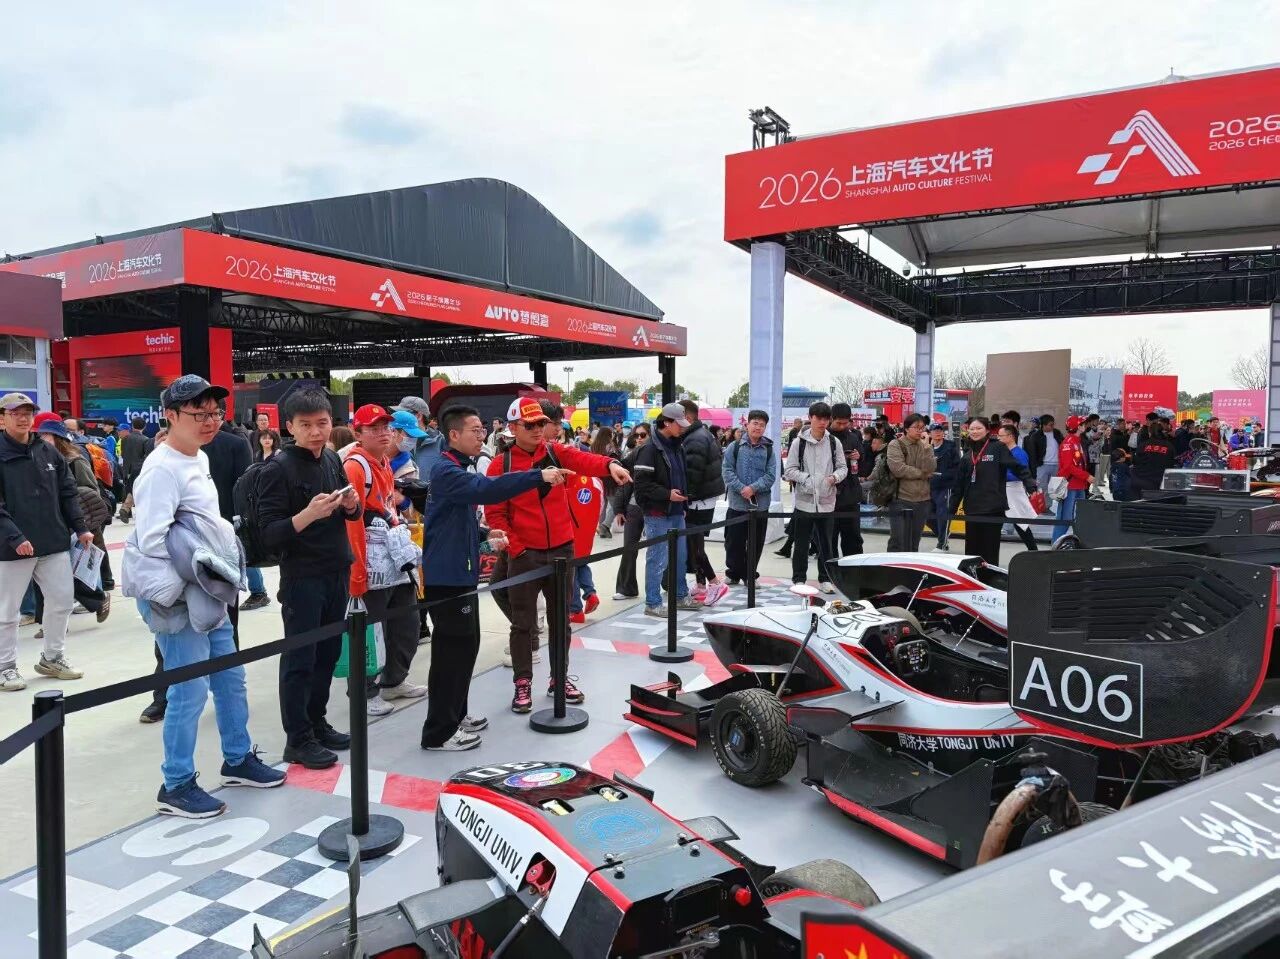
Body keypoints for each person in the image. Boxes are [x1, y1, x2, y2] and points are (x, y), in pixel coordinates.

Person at [123, 375, 284, 817]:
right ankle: (176, 783)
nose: (210, 421)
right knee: (189, 690)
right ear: (170, 416)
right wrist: (188, 584)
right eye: (199, 414)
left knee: (230, 677)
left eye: (215, 413)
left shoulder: (198, 457)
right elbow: (153, 541)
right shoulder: (161, 469)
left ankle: (237, 758)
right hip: (176, 596)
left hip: (206, 590)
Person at [418, 406, 553, 750]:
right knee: (452, 653)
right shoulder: (448, 471)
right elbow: (487, 488)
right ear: (453, 435)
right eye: (475, 430)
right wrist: (537, 476)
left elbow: (451, 520)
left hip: (459, 573)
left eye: (482, 430)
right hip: (447, 578)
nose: (482, 437)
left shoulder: (456, 467)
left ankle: (456, 713)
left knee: (466, 648)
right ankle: (440, 732)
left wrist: (483, 535)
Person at [485, 397, 629, 712]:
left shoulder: (554, 451)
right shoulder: (501, 465)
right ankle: (523, 683)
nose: (538, 429)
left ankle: (559, 679)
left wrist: (610, 465)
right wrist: (518, 547)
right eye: (530, 425)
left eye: (541, 423)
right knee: (522, 624)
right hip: (525, 555)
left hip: (562, 551)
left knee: (561, 622)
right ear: (513, 428)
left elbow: (583, 459)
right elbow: (495, 514)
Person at [256, 389, 362, 770]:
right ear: (289, 427)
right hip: (302, 577)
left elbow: (352, 514)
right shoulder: (277, 468)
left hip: (337, 569)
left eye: (322, 423)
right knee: (300, 658)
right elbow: (268, 534)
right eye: (306, 425)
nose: (316, 432)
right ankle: (297, 738)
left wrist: (351, 505)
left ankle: (317, 722)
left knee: (328, 654)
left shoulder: (332, 458)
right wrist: (308, 515)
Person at [0, 393, 90, 692]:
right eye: (15, 413)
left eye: (28, 412)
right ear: (2, 418)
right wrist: (15, 536)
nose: (23, 418)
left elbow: (68, 492)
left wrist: (80, 528)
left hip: (53, 542)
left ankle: (52, 657)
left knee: (62, 601)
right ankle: (5, 667)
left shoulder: (47, 451)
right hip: (12, 547)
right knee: (7, 612)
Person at [343, 404, 426, 715]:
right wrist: (357, 570)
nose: (383, 433)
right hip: (369, 561)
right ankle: (364, 691)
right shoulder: (356, 466)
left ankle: (394, 680)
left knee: (406, 622)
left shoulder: (384, 463)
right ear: (358, 433)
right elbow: (351, 522)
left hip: (392, 555)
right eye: (374, 428)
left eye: (386, 427)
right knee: (370, 629)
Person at [38, 420, 112, 621]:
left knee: (78, 564)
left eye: (45, 435)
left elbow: (91, 490)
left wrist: (78, 513)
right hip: (53, 520)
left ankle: (97, 597)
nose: (41, 439)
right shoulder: (40, 460)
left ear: (58, 438)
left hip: (76, 520)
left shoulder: (75, 460)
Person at [635, 403, 705, 612]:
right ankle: (653, 603)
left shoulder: (678, 446)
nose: (682, 427)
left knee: (680, 558)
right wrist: (667, 494)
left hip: (676, 511)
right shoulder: (649, 449)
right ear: (666, 422)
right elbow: (641, 484)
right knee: (657, 559)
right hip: (657, 513)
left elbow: (682, 476)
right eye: (679, 423)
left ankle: (681, 595)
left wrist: (682, 502)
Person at [948, 417, 1036, 566]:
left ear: (987, 430)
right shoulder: (968, 455)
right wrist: (951, 509)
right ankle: (973, 577)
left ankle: (990, 577)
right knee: (972, 552)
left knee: (989, 552)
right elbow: (959, 486)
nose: (975, 431)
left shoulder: (997, 448)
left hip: (992, 509)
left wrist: (1030, 485)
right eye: (972, 429)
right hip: (972, 510)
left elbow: (1017, 467)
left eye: (979, 428)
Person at [205, 418, 270, 614]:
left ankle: (258, 591)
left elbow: (245, 482)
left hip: (230, 512)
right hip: (216, 513)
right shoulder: (188, 444)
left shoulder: (236, 442)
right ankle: (256, 591)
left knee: (242, 552)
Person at [783, 402, 846, 593]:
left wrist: (834, 478)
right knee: (801, 543)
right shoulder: (799, 442)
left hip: (827, 502)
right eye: (818, 418)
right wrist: (807, 479)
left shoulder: (834, 442)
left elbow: (842, 468)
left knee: (827, 543)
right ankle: (799, 579)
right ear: (810, 418)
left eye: (826, 419)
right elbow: (789, 470)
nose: (822, 422)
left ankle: (825, 579)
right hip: (804, 501)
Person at [722, 409, 776, 586]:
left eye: (762, 425)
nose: (758, 427)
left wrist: (753, 488)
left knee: (755, 543)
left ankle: (750, 574)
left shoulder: (768, 449)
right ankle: (733, 573)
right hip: (737, 504)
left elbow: (771, 475)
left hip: (760, 505)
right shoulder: (735, 446)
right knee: (733, 542)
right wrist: (741, 488)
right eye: (755, 423)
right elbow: (727, 471)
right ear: (747, 424)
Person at [678, 400, 726, 601]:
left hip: (698, 500)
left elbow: (692, 474)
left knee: (695, 545)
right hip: (704, 497)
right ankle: (700, 585)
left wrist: (685, 499)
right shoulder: (700, 434)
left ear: (687, 418)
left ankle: (714, 583)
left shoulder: (695, 438)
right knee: (695, 544)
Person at [885, 413, 936, 553]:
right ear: (907, 428)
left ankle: (910, 566)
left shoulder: (925, 445)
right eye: (916, 427)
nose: (920, 431)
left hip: (923, 500)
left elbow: (931, 468)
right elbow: (899, 469)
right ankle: (893, 566)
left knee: (914, 541)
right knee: (898, 540)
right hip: (901, 499)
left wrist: (927, 448)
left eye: (922, 428)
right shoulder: (896, 444)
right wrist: (922, 474)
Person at [611, 424, 650, 599]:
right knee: (629, 548)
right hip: (634, 508)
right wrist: (619, 510)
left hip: (656, 508)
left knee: (660, 548)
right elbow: (623, 485)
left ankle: (667, 583)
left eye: (643, 435)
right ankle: (626, 588)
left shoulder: (659, 454)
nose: (639, 438)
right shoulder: (631, 456)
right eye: (636, 435)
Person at [567, 471, 604, 623]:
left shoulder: (567, 479)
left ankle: (575, 610)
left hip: (569, 530)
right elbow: (601, 506)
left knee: (570, 569)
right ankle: (590, 594)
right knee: (582, 562)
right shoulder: (596, 481)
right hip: (588, 529)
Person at [829, 403, 864, 558]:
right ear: (831, 419)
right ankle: (830, 568)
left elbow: (864, 465)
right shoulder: (824, 437)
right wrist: (842, 457)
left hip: (850, 494)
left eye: (846, 423)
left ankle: (854, 568)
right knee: (829, 538)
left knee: (853, 538)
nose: (842, 426)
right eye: (839, 423)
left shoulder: (854, 437)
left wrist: (858, 457)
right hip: (829, 495)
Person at [997, 424, 1039, 551]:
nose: (998, 438)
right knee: (1012, 522)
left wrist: (999, 474)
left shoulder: (1019, 453)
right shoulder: (1004, 452)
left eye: (1001, 436)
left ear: (1010, 436)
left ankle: (1033, 550)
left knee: (1020, 524)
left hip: (1013, 490)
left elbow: (1022, 473)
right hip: (1003, 490)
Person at [1053, 415, 1093, 542]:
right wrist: (1087, 476)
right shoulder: (1068, 443)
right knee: (1065, 517)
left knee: (1079, 517)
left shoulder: (1076, 441)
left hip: (1079, 485)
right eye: (1083, 424)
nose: (1085, 426)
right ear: (1078, 427)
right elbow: (1068, 467)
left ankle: (1079, 542)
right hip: (1070, 485)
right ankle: (1056, 543)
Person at [928, 423, 958, 551]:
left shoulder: (950, 447)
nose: (937, 432)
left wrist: (942, 475)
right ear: (930, 433)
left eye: (940, 430)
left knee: (943, 514)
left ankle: (942, 544)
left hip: (946, 486)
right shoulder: (927, 448)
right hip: (929, 487)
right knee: (927, 515)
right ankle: (943, 535)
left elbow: (957, 468)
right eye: (935, 430)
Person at [118, 415, 153, 523]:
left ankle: (126, 510)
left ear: (132, 426)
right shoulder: (146, 440)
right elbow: (148, 456)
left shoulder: (124, 439)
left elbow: (122, 454)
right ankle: (128, 510)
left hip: (126, 468)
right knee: (139, 490)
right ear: (144, 427)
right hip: (139, 469)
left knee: (128, 488)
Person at [1132, 420, 1177, 497]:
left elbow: (1136, 461)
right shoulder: (1169, 446)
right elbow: (1172, 462)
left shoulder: (1143, 445)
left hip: (1143, 481)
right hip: (1162, 482)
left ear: (1149, 433)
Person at [1023, 414, 1062, 494]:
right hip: (1042, 466)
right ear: (1043, 425)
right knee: (1041, 489)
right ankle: (1042, 502)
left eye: (1053, 424)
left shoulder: (1057, 433)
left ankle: (1051, 503)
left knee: (1054, 490)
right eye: (1050, 425)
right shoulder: (1035, 436)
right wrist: (1033, 470)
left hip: (1056, 465)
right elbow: (1032, 454)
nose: (1052, 426)